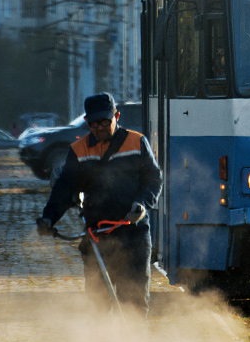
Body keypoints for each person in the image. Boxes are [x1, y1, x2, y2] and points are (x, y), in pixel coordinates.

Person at [36, 93, 162, 315]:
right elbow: (64, 188)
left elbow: (153, 179)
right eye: (94, 123)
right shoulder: (78, 150)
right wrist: (49, 218)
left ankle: (133, 337)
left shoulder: (137, 142)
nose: (100, 127)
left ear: (117, 117)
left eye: (105, 122)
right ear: (87, 121)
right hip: (97, 238)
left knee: (134, 303)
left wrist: (142, 203)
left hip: (134, 235)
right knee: (97, 304)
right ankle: (100, 338)